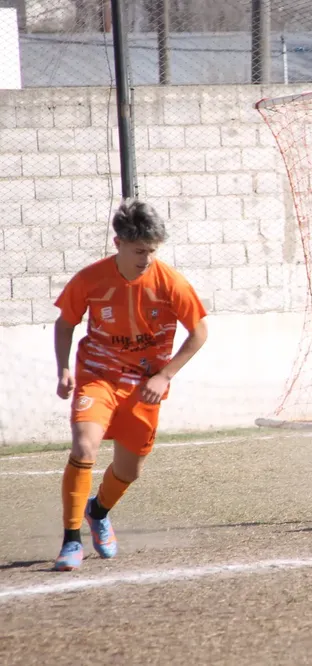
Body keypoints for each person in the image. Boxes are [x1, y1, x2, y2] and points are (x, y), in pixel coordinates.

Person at [53, 198, 209, 570]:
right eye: (139, 251)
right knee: (84, 446)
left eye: (152, 251)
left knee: (129, 471)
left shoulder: (171, 282)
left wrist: (164, 374)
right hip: (98, 376)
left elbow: (200, 332)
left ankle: (98, 511)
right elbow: (65, 323)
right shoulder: (90, 279)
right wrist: (63, 369)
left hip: (143, 386)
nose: (147, 259)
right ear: (117, 243)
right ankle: (71, 541)